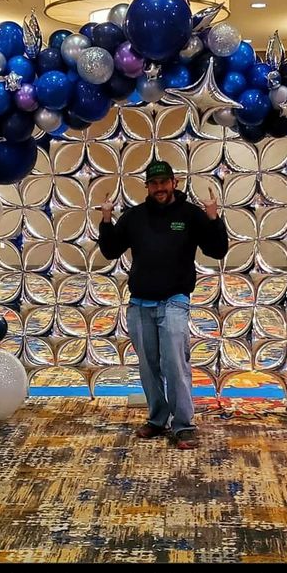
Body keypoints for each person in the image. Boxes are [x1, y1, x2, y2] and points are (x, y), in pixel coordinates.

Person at [98, 159, 229, 449]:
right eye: (154, 183)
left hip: (174, 301)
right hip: (140, 304)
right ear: (147, 186)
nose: (160, 188)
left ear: (175, 183)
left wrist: (213, 217)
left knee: (175, 364)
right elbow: (110, 250)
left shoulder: (190, 215)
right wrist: (106, 220)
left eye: (164, 182)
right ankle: (157, 419)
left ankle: (183, 425)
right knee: (148, 366)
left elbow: (217, 249)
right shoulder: (134, 217)